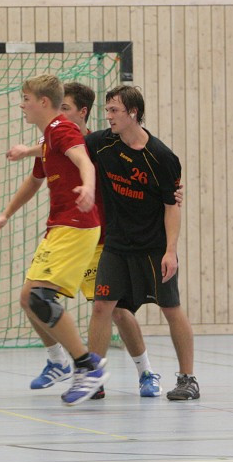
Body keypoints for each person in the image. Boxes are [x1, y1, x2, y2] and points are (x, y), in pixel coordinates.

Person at [5, 82, 168, 399]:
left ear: (81, 112)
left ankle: (143, 371)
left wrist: (163, 196)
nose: (60, 113)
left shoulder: (105, 142)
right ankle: (62, 363)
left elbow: (115, 160)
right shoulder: (55, 137)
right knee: (30, 298)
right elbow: (41, 170)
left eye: (65, 107)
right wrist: (25, 157)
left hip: (102, 237)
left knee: (114, 311)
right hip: (69, 229)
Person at [0, 74, 109, 405]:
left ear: (43, 102)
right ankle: (59, 362)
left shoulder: (61, 128)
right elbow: (35, 175)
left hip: (77, 224)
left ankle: (88, 366)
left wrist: (88, 187)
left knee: (42, 298)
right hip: (60, 225)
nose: (21, 104)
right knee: (29, 298)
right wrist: (6, 214)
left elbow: (84, 161)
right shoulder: (48, 135)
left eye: (25, 98)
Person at [83, 86, 199, 401]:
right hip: (117, 246)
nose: (108, 117)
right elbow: (67, 147)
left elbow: (172, 205)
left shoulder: (161, 157)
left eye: (114, 111)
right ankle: (94, 379)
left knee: (170, 308)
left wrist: (171, 250)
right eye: (106, 110)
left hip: (153, 248)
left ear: (133, 113)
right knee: (102, 307)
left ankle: (188, 379)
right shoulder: (102, 143)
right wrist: (29, 150)